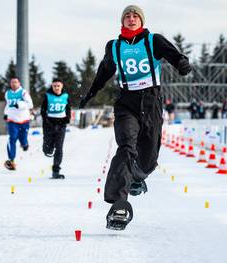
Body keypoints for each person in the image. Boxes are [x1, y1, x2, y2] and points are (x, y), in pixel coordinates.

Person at [79, 5, 191, 230]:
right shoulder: (115, 46)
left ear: (141, 20)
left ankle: (136, 177)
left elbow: (173, 54)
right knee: (126, 147)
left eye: (135, 16)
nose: (131, 19)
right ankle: (119, 203)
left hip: (151, 101)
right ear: (122, 21)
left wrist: (181, 63)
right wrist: (91, 92)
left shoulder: (153, 41)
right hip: (126, 102)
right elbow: (104, 71)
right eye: (127, 16)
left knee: (149, 158)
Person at [40, 79, 71, 179]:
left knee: (59, 147)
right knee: (47, 149)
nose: (56, 88)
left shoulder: (65, 96)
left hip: (61, 124)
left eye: (58, 86)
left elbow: (68, 108)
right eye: (54, 86)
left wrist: (67, 119)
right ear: (52, 86)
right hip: (49, 123)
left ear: (62, 86)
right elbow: (43, 110)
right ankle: (48, 148)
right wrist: (46, 120)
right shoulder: (48, 95)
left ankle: (56, 171)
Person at [3, 77, 33, 170]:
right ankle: (11, 160)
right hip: (12, 120)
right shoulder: (7, 93)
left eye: (15, 82)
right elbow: (8, 104)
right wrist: (6, 113)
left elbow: (30, 104)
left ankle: (25, 144)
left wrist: (19, 104)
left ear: (19, 83)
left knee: (23, 139)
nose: (13, 84)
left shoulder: (23, 92)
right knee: (12, 139)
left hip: (24, 120)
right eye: (12, 82)